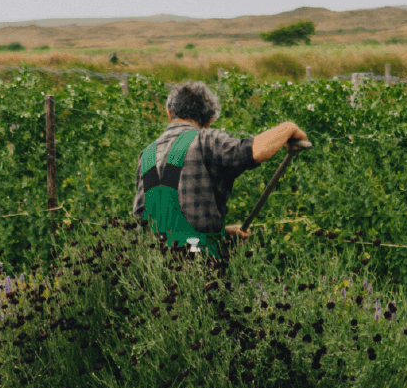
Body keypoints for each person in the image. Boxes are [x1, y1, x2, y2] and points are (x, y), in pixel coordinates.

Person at [132, 80, 310, 261]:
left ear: (169, 113)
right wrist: (288, 128)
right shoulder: (206, 139)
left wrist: (223, 232)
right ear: (209, 121)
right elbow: (255, 152)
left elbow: (150, 219)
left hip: (151, 268)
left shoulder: (146, 155)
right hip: (200, 268)